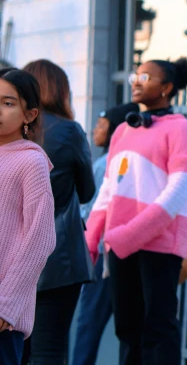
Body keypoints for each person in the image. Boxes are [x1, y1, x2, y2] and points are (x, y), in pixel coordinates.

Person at [85, 58, 187, 365]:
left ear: (166, 88)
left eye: (146, 77)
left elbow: (178, 191)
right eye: (136, 75)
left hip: (159, 245)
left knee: (157, 328)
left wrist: (127, 235)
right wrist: (91, 239)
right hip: (119, 245)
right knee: (126, 330)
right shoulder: (122, 130)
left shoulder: (182, 128)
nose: (136, 81)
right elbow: (108, 190)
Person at [21, 59, 96, 365]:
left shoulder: (12, 132)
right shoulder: (68, 131)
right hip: (59, 259)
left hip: (12, 252)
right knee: (50, 348)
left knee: (16, 348)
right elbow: (88, 190)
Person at [72, 102, 139, 365]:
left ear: (113, 130)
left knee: (88, 327)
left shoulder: (104, 164)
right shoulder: (133, 160)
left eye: (101, 125)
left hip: (102, 256)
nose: (95, 130)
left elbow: (89, 212)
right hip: (128, 254)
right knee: (130, 330)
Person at [0, 68, 56, 365]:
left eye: (8, 103)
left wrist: (6, 306)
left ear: (30, 114)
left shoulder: (30, 161)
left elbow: (40, 239)